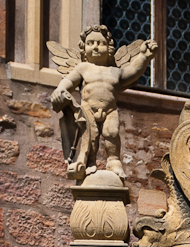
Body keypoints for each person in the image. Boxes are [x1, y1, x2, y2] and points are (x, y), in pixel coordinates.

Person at [50, 25, 155, 180]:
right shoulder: (83, 68)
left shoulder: (114, 71)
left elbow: (132, 71)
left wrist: (144, 57)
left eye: (100, 43)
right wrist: (60, 89)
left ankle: (114, 161)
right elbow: (69, 81)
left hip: (110, 110)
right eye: (90, 43)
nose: (95, 47)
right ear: (83, 48)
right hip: (88, 109)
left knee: (111, 133)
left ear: (109, 48)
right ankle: (89, 162)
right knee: (90, 137)